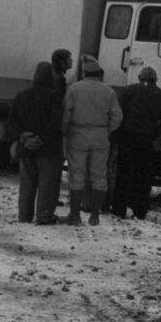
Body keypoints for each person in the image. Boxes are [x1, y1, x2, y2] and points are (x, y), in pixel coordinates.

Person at [60, 55, 122, 226]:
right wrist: (107, 130)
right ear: (98, 73)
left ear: (84, 71)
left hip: (78, 133)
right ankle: (95, 215)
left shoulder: (74, 88)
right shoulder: (109, 91)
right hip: (100, 135)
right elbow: (118, 116)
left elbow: (66, 113)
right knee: (99, 176)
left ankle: (75, 214)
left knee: (77, 175)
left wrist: (65, 130)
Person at [111, 66, 161, 220]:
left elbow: (119, 112)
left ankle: (119, 208)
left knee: (124, 173)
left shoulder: (129, 90)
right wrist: (155, 135)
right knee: (143, 176)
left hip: (128, 137)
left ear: (140, 77)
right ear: (155, 79)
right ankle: (140, 210)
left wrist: (119, 133)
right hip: (147, 140)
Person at [6, 62, 63, 225]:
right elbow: (55, 122)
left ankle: (24, 215)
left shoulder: (21, 95)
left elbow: (12, 121)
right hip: (48, 149)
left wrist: (23, 136)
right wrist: (40, 139)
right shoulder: (54, 96)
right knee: (47, 184)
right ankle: (44, 216)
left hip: (26, 150)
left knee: (27, 184)